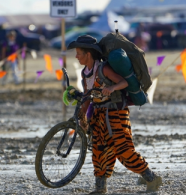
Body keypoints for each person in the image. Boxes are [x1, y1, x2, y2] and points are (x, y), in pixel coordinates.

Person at [65, 35, 162, 193]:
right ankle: (100, 188)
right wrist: (81, 117)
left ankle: (151, 178)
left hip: (116, 112)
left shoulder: (103, 69)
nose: (76, 56)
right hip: (99, 114)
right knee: (99, 150)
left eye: (78, 53)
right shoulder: (84, 74)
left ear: (88, 54)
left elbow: (123, 82)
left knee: (123, 150)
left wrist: (111, 88)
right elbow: (87, 97)